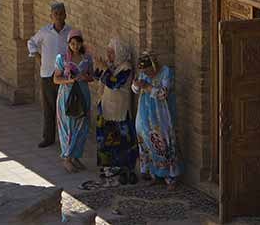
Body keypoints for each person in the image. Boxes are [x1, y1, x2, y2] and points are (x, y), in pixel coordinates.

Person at [132, 50, 182, 189]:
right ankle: (154, 173)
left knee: (164, 142)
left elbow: (163, 93)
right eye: (143, 71)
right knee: (146, 141)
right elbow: (135, 89)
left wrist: (148, 87)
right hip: (144, 114)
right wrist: (136, 84)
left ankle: (169, 176)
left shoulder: (166, 72)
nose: (146, 74)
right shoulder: (143, 73)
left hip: (161, 116)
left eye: (147, 70)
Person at [27, 2, 72, 148]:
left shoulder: (69, 32)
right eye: (56, 14)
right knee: (49, 107)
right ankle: (48, 137)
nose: (58, 16)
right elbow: (32, 42)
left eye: (61, 13)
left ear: (65, 15)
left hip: (64, 76)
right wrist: (37, 56)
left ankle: (65, 138)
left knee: (65, 108)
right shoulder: (45, 32)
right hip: (47, 74)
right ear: (51, 16)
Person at [94, 38, 138, 184]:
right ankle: (108, 166)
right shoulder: (113, 65)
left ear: (119, 53)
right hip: (106, 108)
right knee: (105, 138)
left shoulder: (126, 68)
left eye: (111, 53)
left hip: (119, 111)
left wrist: (105, 69)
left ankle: (121, 167)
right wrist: (99, 66)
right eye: (108, 52)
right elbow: (97, 76)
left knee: (120, 139)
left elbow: (114, 83)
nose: (109, 56)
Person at [54, 29, 93, 172]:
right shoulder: (62, 59)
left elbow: (91, 76)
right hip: (67, 96)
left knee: (82, 126)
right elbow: (56, 78)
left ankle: (76, 156)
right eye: (72, 43)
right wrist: (69, 79)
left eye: (78, 43)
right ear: (69, 44)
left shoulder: (87, 59)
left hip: (82, 95)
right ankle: (67, 157)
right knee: (68, 126)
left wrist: (84, 77)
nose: (75, 46)